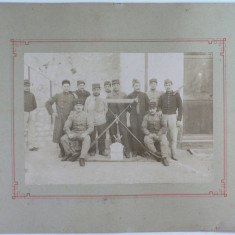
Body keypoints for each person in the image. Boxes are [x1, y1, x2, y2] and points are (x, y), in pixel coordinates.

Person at [45, 80, 75, 158]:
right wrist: (52, 112)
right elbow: (47, 103)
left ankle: (69, 151)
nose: (66, 88)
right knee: (59, 135)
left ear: (69, 87)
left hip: (69, 118)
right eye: (64, 86)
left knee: (69, 134)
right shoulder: (57, 95)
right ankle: (62, 151)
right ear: (62, 87)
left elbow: (76, 106)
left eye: (67, 86)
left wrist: (73, 113)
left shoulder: (72, 96)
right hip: (60, 119)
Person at [60, 99, 94, 166]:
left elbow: (91, 127)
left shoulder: (87, 115)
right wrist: (69, 133)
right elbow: (66, 126)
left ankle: (82, 157)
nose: (78, 107)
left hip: (83, 133)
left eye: (80, 105)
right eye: (77, 105)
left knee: (87, 139)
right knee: (63, 138)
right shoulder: (71, 115)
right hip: (74, 133)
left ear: (83, 107)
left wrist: (85, 133)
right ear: (75, 107)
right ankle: (69, 154)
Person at [157, 79, 183, 161]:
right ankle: (165, 154)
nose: (168, 86)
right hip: (164, 117)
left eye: (169, 85)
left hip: (173, 117)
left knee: (173, 137)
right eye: (166, 85)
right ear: (164, 86)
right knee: (164, 136)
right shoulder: (162, 96)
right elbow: (159, 106)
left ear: (172, 85)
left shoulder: (176, 95)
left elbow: (180, 108)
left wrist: (179, 119)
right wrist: (160, 111)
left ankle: (173, 154)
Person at [106, 79, 131, 158]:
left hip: (122, 116)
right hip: (111, 116)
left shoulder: (124, 95)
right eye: (114, 85)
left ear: (119, 85)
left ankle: (126, 150)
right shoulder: (109, 95)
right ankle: (114, 150)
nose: (116, 86)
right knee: (112, 132)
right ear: (112, 86)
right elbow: (107, 106)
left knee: (124, 132)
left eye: (117, 85)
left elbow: (128, 107)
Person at [142, 102, 169, 166]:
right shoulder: (146, 117)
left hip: (159, 134)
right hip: (150, 134)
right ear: (148, 109)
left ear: (156, 109)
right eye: (150, 109)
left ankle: (164, 157)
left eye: (153, 109)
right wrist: (149, 134)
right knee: (146, 140)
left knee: (164, 141)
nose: (152, 110)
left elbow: (164, 126)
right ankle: (156, 154)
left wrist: (159, 134)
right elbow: (143, 127)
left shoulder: (160, 116)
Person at [127, 79, 150, 157]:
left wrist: (145, 114)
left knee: (141, 133)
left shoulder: (144, 95)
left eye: (139, 86)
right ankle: (135, 151)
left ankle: (142, 151)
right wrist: (132, 112)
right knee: (134, 133)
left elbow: (148, 106)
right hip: (133, 117)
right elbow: (126, 107)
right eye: (136, 86)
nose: (138, 87)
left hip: (142, 117)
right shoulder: (130, 95)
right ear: (133, 86)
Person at [84, 83, 108, 156]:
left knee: (102, 136)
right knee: (92, 136)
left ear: (100, 90)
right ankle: (92, 150)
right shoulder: (88, 99)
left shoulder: (103, 98)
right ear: (92, 90)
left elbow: (106, 109)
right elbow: (85, 110)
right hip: (91, 121)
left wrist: (102, 115)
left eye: (98, 89)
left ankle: (102, 151)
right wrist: (88, 119)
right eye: (94, 89)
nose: (96, 91)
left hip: (101, 120)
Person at [24, 79, 38, 151]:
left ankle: (31, 146)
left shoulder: (32, 94)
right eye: (25, 86)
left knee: (32, 129)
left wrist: (32, 112)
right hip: (23, 113)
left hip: (31, 112)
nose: (27, 87)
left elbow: (35, 105)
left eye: (28, 86)